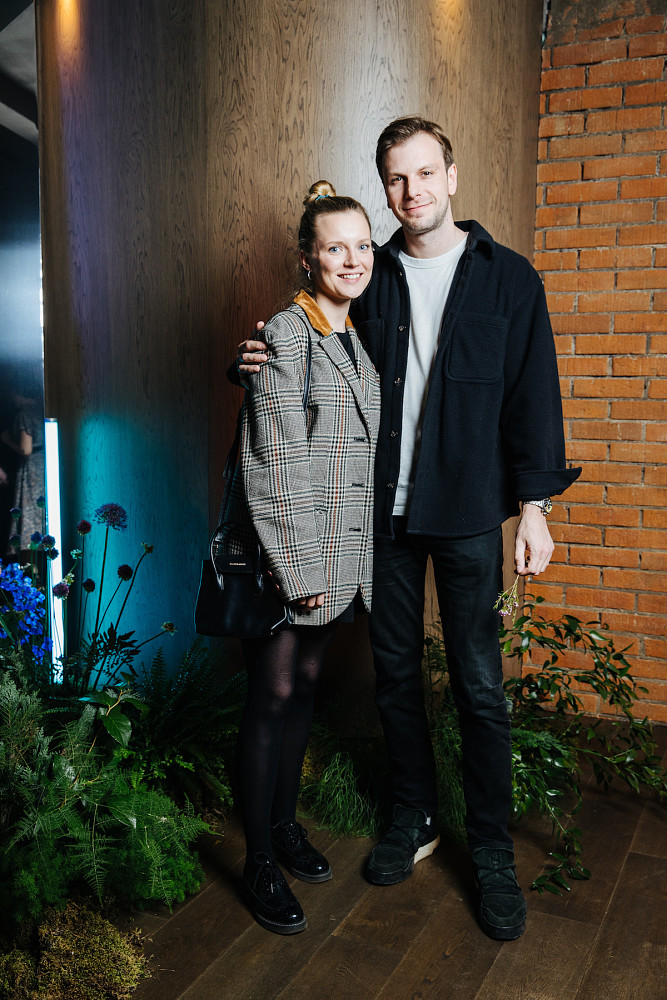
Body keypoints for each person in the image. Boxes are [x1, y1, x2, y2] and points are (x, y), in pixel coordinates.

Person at [236, 116, 581, 942]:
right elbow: (309, 341)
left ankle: (489, 849)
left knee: (478, 686)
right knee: (393, 677)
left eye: (424, 173)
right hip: (378, 520)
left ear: (450, 177)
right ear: (383, 188)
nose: (410, 190)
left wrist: (534, 509)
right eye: (395, 177)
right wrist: (248, 360)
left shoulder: (508, 278)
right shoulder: (373, 273)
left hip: (467, 513)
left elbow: (533, 395)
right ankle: (414, 816)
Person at [229, 181, 381, 935]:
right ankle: (258, 858)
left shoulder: (352, 331)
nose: (352, 259)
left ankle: (284, 826)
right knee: (273, 694)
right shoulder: (288, 334)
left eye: (362, 245)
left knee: (305, 688)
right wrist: (303, 572)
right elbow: (275, 463)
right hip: (296, 554)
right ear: (306, 257)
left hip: (341, 553)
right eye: (334, 247)